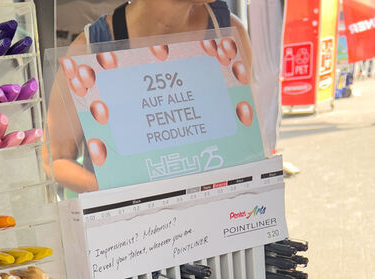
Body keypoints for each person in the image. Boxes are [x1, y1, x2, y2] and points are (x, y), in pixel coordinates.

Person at [44, 0, 254, 194]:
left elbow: (251, 143)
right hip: (136, 220)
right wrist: (122, 196)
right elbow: (54, 158)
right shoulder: (91, 47)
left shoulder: (227, 32)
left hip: (220, 213)